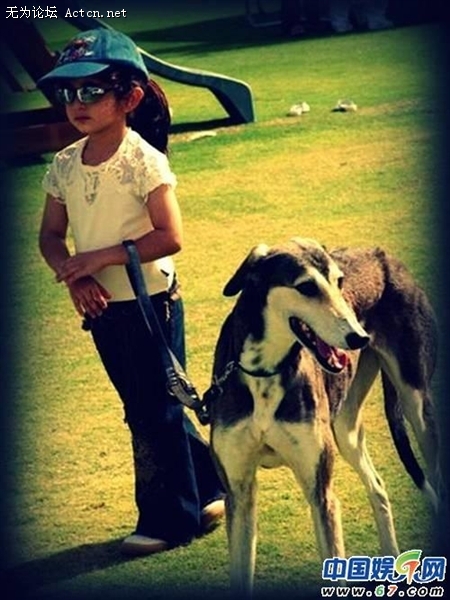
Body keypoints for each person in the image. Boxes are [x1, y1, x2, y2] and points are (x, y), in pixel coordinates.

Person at [37, 28, 225, 556]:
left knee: (153, 410)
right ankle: (211, 486)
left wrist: (100, 257)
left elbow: (170, 236)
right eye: (68, 92)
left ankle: (170, 521)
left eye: (92, 90)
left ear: (130, 97)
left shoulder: (144, 160)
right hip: (101, 307)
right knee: (145, 405)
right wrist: (76, 276)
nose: (77, 103)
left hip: (151, 302)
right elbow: (50, 236)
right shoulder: (65, 164)